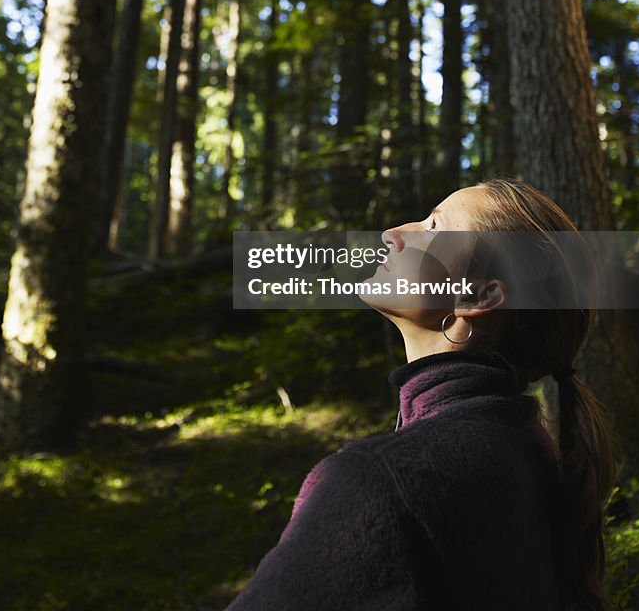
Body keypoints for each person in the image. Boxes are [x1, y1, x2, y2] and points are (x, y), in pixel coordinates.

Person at [225, 178, 616, 611]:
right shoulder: (534, 452)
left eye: (433, 227)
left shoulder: (379, 483)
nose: (393, 234)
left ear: (478, 296)